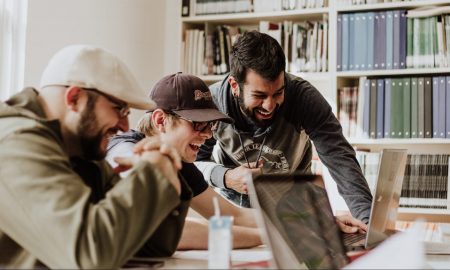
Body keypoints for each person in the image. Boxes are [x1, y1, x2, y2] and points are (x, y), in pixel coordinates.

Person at [0, 45, 185, 268]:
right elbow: (90, 256)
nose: (125, 126)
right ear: (75, 98)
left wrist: (164, 168)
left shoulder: (79, 150)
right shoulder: (17, 143)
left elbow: (153, 245)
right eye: (119, 109)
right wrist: (153, 173)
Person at [195, 30, 373, 225]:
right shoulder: (212, 104)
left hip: (295, 212)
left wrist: (367, 223)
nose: (269, 105)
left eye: (278, 93)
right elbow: (194, 164)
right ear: (235, 85)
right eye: (259, 96)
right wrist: (226, 177)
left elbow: (341, 160)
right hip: (235, 215)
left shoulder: (304, 98)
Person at [106, 72, 262, 250]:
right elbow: (166, 229)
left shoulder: (179, 163)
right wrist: (266, 237)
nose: (208, 135)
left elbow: (233, 215)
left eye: (211, 125)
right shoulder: (124, 148)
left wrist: (288, 223)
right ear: (161, 120)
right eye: (198, 124)